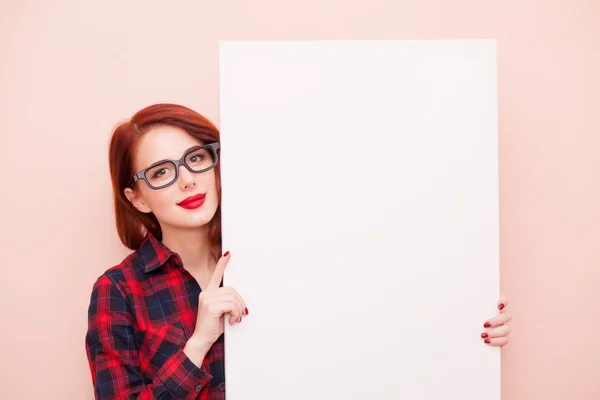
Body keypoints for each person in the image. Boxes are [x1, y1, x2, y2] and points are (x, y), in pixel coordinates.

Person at [85, 103, 511, 399]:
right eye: (161, 172)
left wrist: (464, 328)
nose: (187, 181)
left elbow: (369, 328)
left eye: (196, 159)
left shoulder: (278, 255)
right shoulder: (119, 291)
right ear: (137, 198)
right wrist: (197, 344)